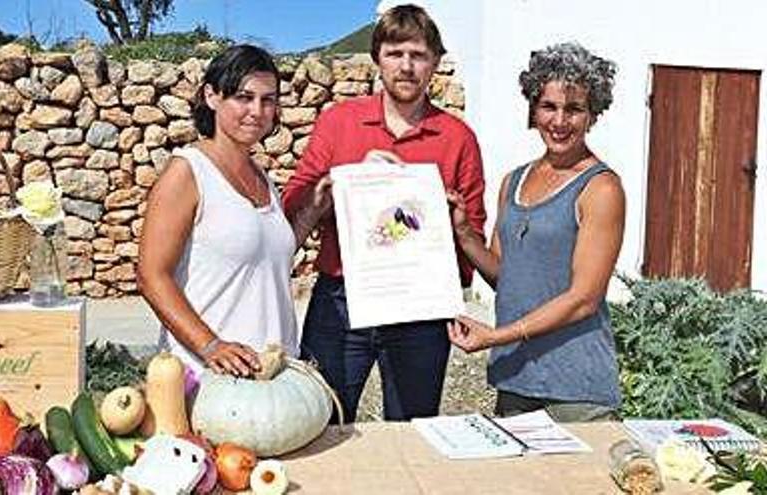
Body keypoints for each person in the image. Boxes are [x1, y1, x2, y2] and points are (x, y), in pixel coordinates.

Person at [282, 4, 487, 422]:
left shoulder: (458, 138)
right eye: (395, 54)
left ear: (435, 64)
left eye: (418, 55)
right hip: (341, 299)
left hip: (421, 308)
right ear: (377, 59)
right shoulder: (338, 122)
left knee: (413, 429)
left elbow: (474, 232)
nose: (406, 66)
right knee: (321, 420)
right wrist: (341, 185)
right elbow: (294, 206)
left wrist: (455, 223)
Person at [446, 42, 625, 422]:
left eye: (574, 109)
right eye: (549, 106)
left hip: (577, 389)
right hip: (517, 380)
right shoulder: (513, 181)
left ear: (593, 115)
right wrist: (464, 234)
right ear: (532, 109)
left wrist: (495, 336)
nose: (560, 121)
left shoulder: (601, 189)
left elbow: (583, 299)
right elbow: (503, 275)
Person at [138, 44, 331, 377]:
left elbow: (267, 259)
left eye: (268, 99)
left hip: (269, 374)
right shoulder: (188, 172)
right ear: (212, 96)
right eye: (244, 97)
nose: (257, 110)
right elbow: (151, 275)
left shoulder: (261, 177)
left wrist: (317, 203)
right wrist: (210, 345)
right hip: (209, 378)